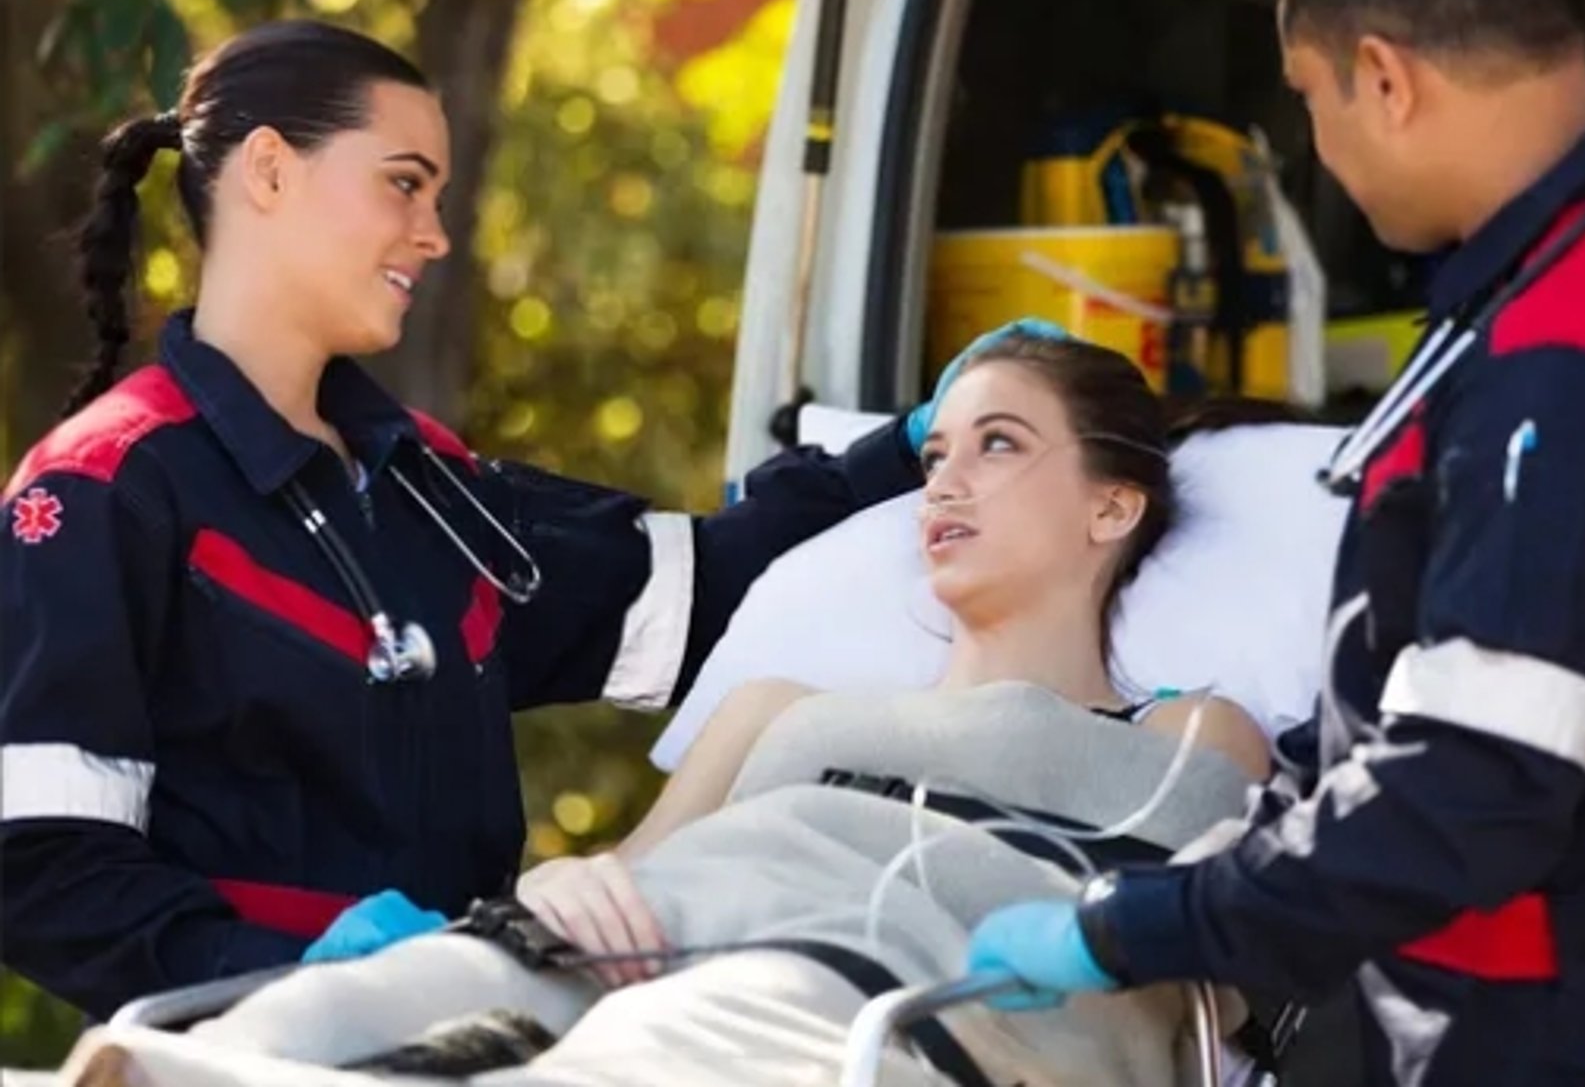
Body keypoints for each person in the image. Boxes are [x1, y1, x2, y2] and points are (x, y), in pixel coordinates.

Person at [968, 0, 1585, 1087]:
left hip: (1568, 1024)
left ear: (1384, 77)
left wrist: (1134, 927)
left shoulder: (1574, 366)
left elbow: (1470, 791)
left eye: (1310, 96)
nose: (1316, 143)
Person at [0, 19, 1036, 1020]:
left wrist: (910, 450)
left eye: (438, 195)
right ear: (269, 172)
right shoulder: (104, 487)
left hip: (464, 1039)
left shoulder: (425, 482)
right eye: (404, 183)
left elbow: (707, 593)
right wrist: (289, 976)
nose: (436, 234)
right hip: (242, 1062)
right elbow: (36, 866)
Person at [75, 335, 1274, 1087]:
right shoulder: (778, 707)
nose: (947, 481)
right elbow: (631, 870)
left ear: (1113, 510)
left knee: (670, 1040)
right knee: (305, 1024)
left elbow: (1197, 946)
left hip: (832, 988)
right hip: (616, 952)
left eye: (999, 445)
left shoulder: (1182, 734)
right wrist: (555, 890)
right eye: (936, 455)